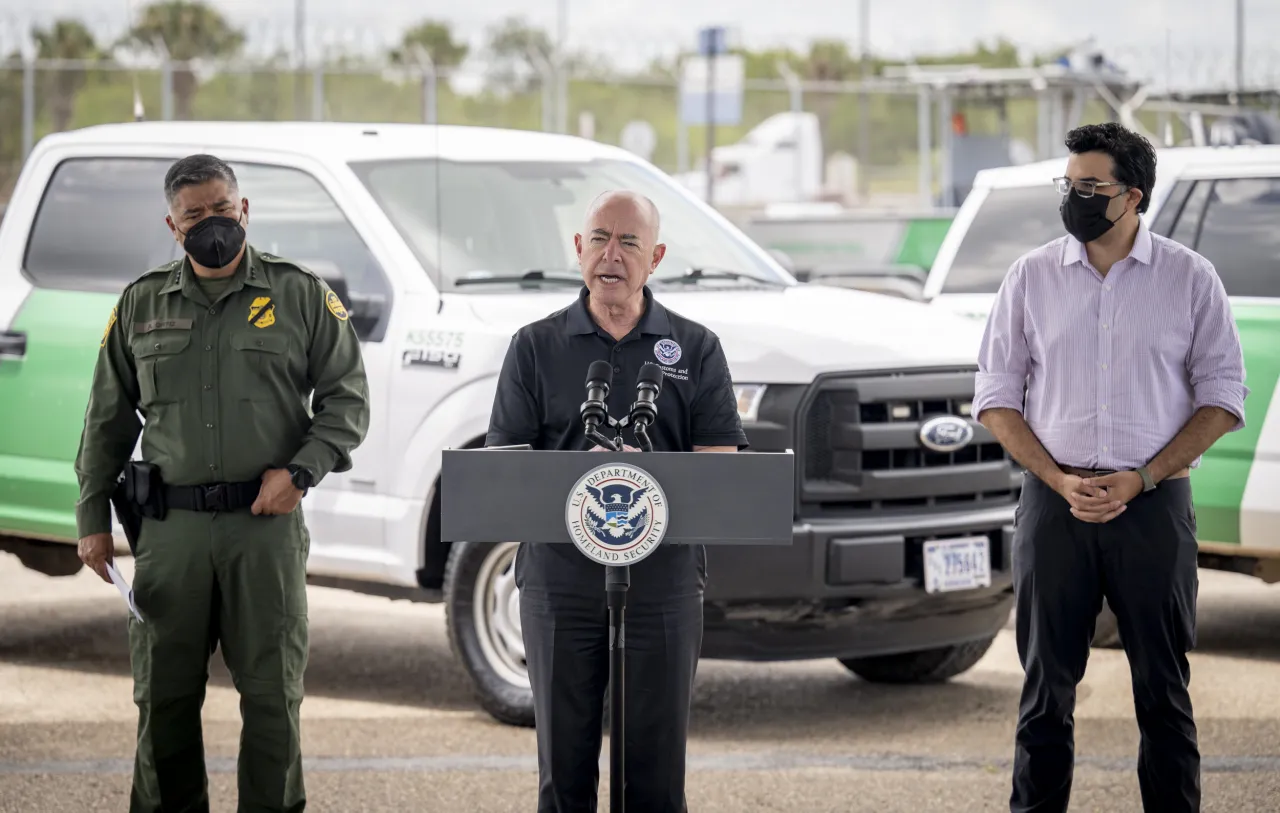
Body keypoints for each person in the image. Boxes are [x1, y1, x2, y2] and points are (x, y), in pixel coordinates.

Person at [74, 153, 371, 813]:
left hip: (263, 529)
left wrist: (301, 472)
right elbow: (106, 419)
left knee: (272, 699)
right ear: (172, 226)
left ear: (244, 210)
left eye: (222, 209)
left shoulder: (298, 293)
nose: (212, 224)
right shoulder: (141, 302)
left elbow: (347, 401)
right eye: (195, 216)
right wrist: (91, 514)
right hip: (170, 535)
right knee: (165, 699)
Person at [973, 122, 1248, 813]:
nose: (1075, 199)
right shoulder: (1030, 277)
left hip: (1153, 507)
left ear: (1135, 196)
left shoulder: (1190, 278)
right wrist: (1058, 477)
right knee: (1043, 699)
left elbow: (1222, 399)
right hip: (1053, 503)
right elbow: (997, 399)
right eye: (1067, 186)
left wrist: (1145, 476)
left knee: (1164, 695)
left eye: (1091, 187)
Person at [485, 190, 748, 812]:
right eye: (600, 238)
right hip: (560, 580)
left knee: (656, 776)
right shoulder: (534, 346)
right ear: (578, 250)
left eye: (629, 242)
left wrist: (648, 475)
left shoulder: (696, 347)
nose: (612, 254)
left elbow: (720, 465)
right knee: (563, 772)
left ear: (654, 257)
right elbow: (506, 464)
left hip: (663, 583)